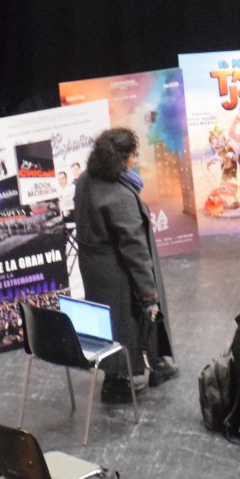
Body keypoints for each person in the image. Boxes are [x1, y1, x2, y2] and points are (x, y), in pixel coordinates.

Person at [75, 127, 175, 400]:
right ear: (121, 158)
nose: (136, 160)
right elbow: (135, 249)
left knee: (112, 325)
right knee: (141, 317)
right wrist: (149, 292)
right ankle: (118, 382)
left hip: (95, 270)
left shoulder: (85, 179)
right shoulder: (119, 195)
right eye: (134, 155)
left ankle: (153, 363)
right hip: (118, 274)